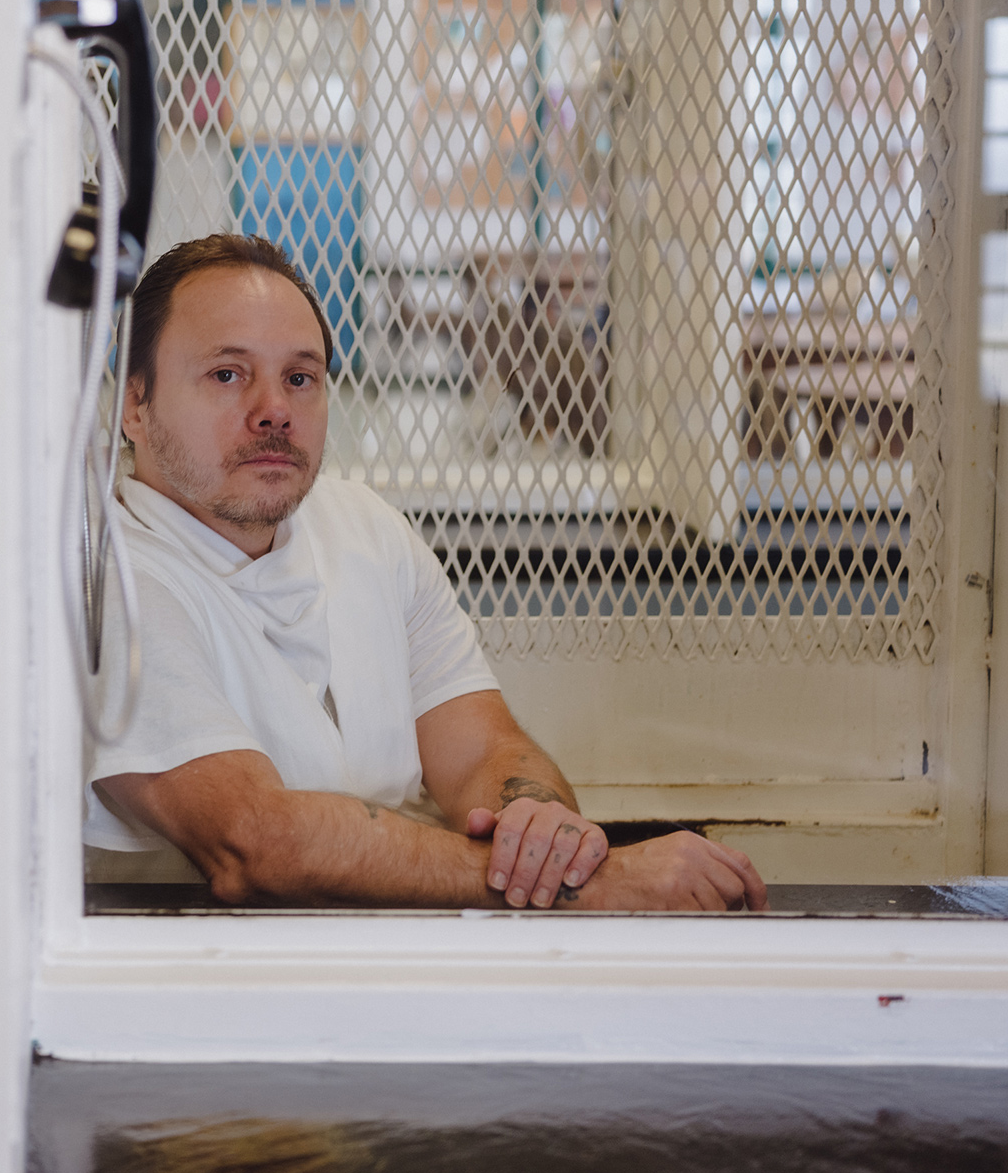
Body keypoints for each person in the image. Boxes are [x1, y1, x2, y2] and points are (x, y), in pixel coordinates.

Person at [86, 234, 767, 912]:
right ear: (134, 406)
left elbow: (482, 754)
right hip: (204, 988)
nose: (275, 410)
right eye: (227, 374)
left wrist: (545, 834)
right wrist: (586, 885)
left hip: (401, 966)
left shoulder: (365, 529)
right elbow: (257, 841)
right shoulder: (110, 578)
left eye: (301, 378)